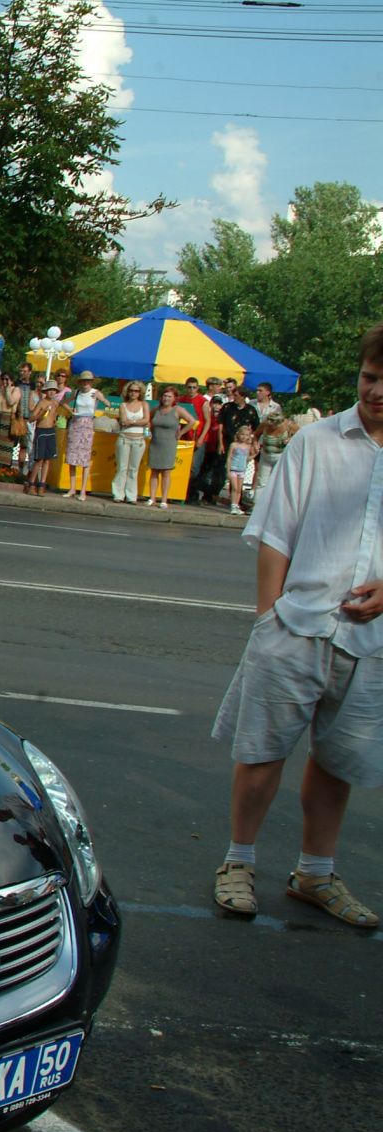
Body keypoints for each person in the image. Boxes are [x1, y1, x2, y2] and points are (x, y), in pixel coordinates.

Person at [210, 322, 383, 930]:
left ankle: (315, 873)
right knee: (262, 752)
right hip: (297, 626)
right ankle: (238, 862)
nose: (377, 391)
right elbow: (274, 534)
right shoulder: (317, 443)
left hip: (369, 643)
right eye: (369, 377)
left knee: (336, 762)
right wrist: (269, 619)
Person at [63, 371, 112, 500]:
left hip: (88, 424)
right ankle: (72, 488)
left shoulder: (95, 393)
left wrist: (100, 398)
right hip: (76, 423)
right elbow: (63, 402)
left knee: (84, 459)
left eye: (88, 381)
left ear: (91, 382)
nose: (86, 383)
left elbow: (108, 404)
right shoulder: (77, 392)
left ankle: (83, 490)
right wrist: (71, 411)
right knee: (72, 457)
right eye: (84, 381)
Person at [145, 386, 196, 508]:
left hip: (169, 444)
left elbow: (192, 421)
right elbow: (149, 420)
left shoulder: (177, 410)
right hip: (155, 442)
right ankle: (152, 498)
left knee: (166, 472)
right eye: (165, 396)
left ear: (174, 398)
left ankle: (164, 499)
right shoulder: (156, 409)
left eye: (169, 396)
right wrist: (149, 430)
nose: (166, 398)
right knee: (154, 471)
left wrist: (181, 433)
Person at [110, 381, 151, 504]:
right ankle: (118, 494)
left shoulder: (144, 404)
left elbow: (147, 420)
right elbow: (123, 420)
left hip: (138, 440)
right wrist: (138, 421)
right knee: (122, 467)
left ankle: (131, 496)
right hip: (124, 439)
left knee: (134, 469)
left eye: (136, 391)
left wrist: (132, 422)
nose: (133, 393)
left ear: (140, 393)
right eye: (131, 390)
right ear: (127, 392)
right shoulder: (123, 405)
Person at [24, 381, 62, 495]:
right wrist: (42, 413)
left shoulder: (55, 403)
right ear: (45, 391)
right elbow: (31, 419)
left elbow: (56, 413)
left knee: (47, 460)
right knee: (39, 459)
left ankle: (42, 484)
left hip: (51, 431)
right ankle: (31, 484)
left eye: (54, 390)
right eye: (49, 390)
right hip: (41, 431)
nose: (52, 392)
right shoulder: (41, 403)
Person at [224, 424, 256, 515]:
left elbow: (247, 458)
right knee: (234, 488)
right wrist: (228, 470)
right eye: (242, 434)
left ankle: (237, 505)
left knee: (239, 489)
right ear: (238, 435)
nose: (244, 437)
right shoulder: (234, 445)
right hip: (234, 469)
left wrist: (255, 454)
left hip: (242, 470)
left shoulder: (248, 447)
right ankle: (233, 505)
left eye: (246, 435)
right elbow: (229, 458)